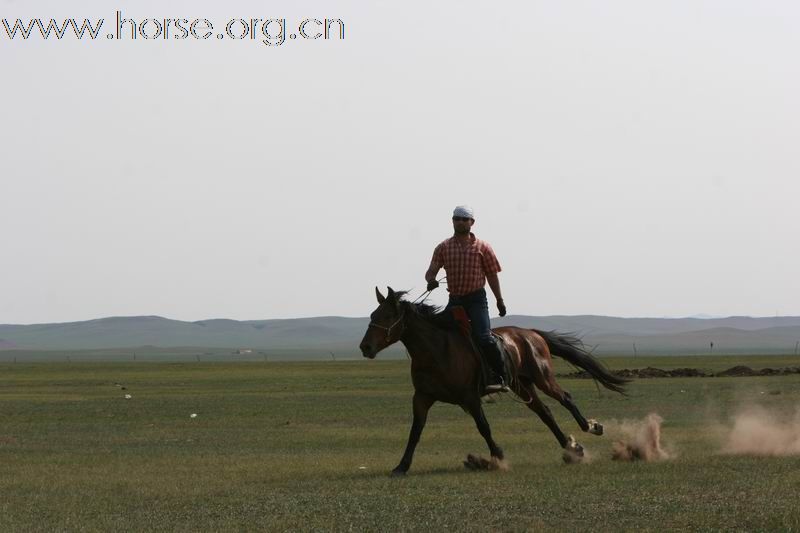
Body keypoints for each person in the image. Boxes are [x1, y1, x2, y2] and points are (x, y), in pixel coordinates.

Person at [425, 205, 509, 393]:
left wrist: (499, 300)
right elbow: (431, 270)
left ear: (472, 222)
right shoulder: (443, 247)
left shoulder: (483, 247)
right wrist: (430, 280)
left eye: (464, 219)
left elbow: (492, 275)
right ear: (452, 221)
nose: (460, 222)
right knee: (437, 334)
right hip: (454, 301)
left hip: (476, 300)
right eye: (457, 218)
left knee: (484, 337)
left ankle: (500, 375)